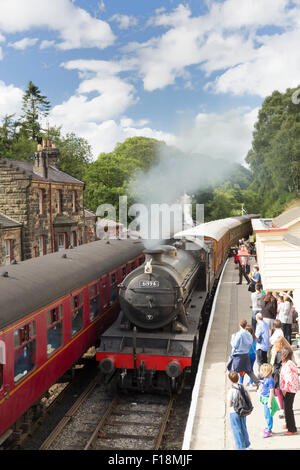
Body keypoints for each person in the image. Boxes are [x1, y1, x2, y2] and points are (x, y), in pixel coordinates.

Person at [228, 319, 260, 387]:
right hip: (246, 355)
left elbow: (234, 345)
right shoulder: (249, 334)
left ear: (240, 325)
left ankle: (235, 385)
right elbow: (250, 342)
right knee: (249, 371)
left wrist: (232, 338)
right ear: (245, 325)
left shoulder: (239, 334)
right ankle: (258, 383)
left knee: (234, 371)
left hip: (238, 356)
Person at [227, 371, 251, 450]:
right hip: (243, 411)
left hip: (234, 412)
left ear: (230, 380)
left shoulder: (231, 391)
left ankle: (240, 447)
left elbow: (229, 404)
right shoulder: (243, 387)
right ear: (238, 377)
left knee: (237, 430)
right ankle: (247, 444)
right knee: (243, 427)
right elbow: (249, 398)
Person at [272, 337, 295, 419]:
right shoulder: (289, 351)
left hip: (280, 375)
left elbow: (277, 365)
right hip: (285, 375)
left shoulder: (280, 354)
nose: (275, 346)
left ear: (279, 345)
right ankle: (284, 409)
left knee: (278, 391)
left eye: (276, 345)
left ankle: (282, 409)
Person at [280, 346, 298, 435]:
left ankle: (292, 429)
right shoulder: (290, 363)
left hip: (288, 390)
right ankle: (288, 424)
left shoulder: (287, 365)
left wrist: (285, 389)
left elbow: (288, 378)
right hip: (291, 389)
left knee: (288, 409)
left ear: (284, 355)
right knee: (287, 408)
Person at [259, 363, 279, 438]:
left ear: (266, 372)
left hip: (268, 399)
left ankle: (269, 430)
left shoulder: (270, 380)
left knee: (268, 415)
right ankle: (268, 427)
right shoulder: (266, 378)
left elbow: (271, 391)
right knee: (266, 414)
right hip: (265, 398)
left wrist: (269, 402)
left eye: (261, 371)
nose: (260, 372)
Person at [255, 313, 270, 378]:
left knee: (260, 363)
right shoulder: (266, 324)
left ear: (257, 318)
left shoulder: (259, 325)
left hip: (260, 346)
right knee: (265, 363)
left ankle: (261, 377)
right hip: (266, 346)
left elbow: (257, 336)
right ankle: (266, 375)